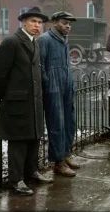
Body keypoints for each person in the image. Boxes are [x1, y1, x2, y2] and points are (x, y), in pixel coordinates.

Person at [0, 6, 52, 196]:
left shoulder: (36, 43)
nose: (37, 25)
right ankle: (15, 180)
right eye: (33, 21)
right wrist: (6, 96)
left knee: (33, 138)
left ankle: (31, 173)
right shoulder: (12, 42)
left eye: (40, 22)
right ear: (24, 22)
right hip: (17, 102)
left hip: (33, 102)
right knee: (18, 142)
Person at [37, 11, 80, 177]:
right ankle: (58, 162)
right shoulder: (45, 40)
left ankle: (66, 153)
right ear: (54, 22)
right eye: (64, 22)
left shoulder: (64, 40)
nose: (68, 26)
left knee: (69, 122)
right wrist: (48, 84)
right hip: (53, 87)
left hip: (66, 85)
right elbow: (40, 67)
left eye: (70, 23)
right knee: (56, 124)